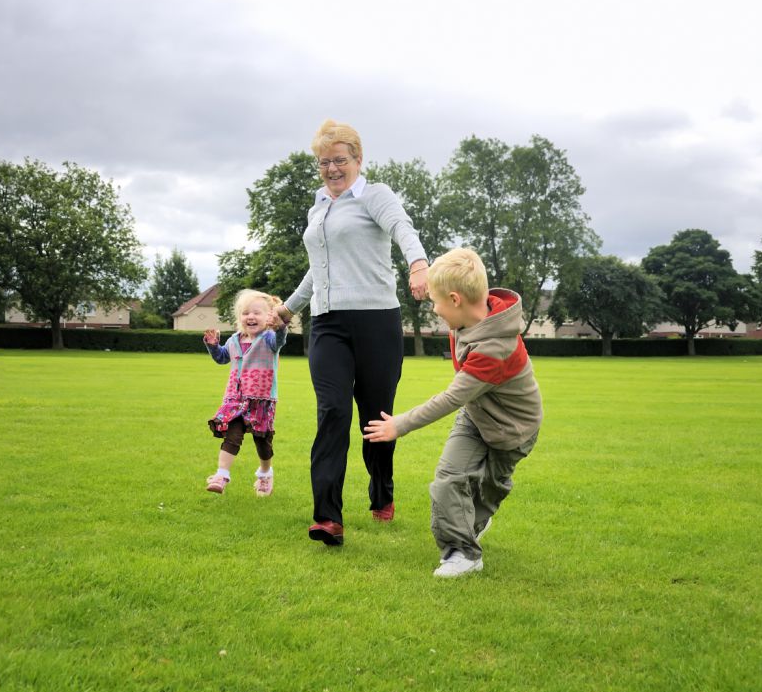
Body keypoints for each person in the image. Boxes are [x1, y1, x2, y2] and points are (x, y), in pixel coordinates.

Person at [275, 119, 428, 547]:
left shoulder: (375, 196)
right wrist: (288, 309)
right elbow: (317, 268)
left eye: (340, 160)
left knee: (376, 419)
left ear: (358, 160)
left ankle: (381, 492)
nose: (332, 169)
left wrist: (418, 265)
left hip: (377, 321)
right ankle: (327, 517)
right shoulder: (318, 207)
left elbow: (403, 230)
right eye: (324, 162)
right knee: (333, 413)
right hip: (326, 323)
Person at [363, 248, 543, 577]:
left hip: (512, 431)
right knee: (449, 479)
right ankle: (463, 554)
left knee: (489, 489)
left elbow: (451, 398)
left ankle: (477, 518)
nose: (434, 308)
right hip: (476, 417)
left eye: (437, 301)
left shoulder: (494, 348)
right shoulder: (465, 322)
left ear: (456, 299)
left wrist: (399, 424)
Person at [203, 289, 289, 496]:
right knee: (232, 435)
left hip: (261, 399)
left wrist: (280, 327)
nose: (250, 317)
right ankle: (221, 475)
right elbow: (223, 358)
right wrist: (213, 346)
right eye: (245, 313)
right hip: (235, 399)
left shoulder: (269, 338)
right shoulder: (234, 340)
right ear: (239, 317)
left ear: (268, 316)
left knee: (263, 442)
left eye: (257, 313)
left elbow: (280, 340)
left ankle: (265, 474)